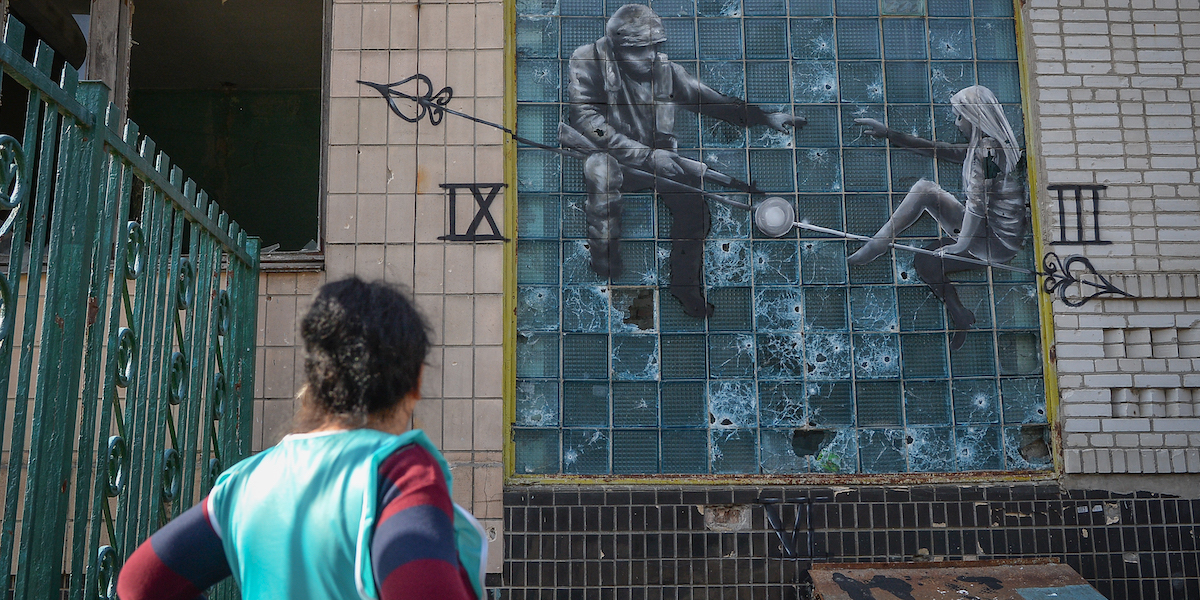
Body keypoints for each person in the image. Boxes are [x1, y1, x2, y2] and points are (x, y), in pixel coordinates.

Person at [117, 277, 486, 600]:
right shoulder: (398, 475)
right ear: (416, 381)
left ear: (316, 380)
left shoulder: (245, 483)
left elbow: (138, 585)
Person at [565, 4, 805, 318]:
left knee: (694, 208)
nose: (650, 56)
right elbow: (587, 120)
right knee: (600, 173)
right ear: (617, 47)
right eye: (640, 49)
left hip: (661, 159)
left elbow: (709, 99)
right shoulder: (588, 61)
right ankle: (604, 260)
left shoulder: (664, 71)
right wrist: (645, 155)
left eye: (654, 47)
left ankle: (685, 287)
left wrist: (763, 117)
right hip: (611, 155)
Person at [846, 85, 1025, 350]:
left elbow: (977, 204)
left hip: (996, 241)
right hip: (998, 238)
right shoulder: (991, 147)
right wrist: (889, 134)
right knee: (926, 261)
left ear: (975, 116)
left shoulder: (988, 150)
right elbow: (940, 149)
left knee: (924, 190)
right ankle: (960, 315)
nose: (957, 123)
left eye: (960, 116)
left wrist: (961, 246)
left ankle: (877, 245)